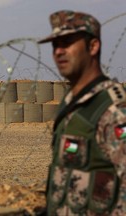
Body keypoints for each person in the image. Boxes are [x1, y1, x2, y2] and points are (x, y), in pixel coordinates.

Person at [38, 10, 126, 215]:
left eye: (67, 42)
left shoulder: (114, 110)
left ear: (93, 46)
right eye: (55, 45)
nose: (59, 51)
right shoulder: (70, 105)